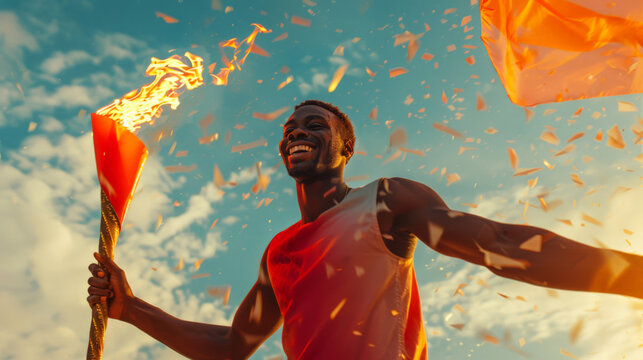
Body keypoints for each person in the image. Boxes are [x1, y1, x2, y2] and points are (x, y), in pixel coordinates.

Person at [88, 99, 643, 360]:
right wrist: (132, 309)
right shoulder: (278, 251)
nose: (296, 133)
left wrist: (631, 274)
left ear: (345, 147)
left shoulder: (386, 201)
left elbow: (498, 245)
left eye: (314, 125)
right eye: (288, 128)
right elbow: (233, 345)